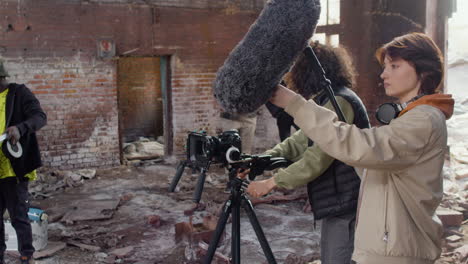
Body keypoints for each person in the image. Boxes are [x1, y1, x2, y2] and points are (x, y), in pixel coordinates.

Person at [267, 33, 453, 264]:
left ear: (423, 71)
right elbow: (364, 159)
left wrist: (294, 104)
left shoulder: (422, 120)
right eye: (385, 67)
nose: (384, 74)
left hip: (396, 251)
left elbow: (361, 147)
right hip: (390, 244)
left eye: (394, 66)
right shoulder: (411, 117)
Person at [246, 42, 370, 264]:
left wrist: (271, 183)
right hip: (337, 198)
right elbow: (299, 141)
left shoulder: (340, 101)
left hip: (347, 198)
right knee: (330, 256)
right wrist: (261, 160)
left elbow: (318, 158)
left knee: (338, 258)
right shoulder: (326, 99)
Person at [0, 60, 47, 264]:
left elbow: (39, 117)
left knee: (19, 215)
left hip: (14, 168)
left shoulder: (19, 93)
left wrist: (20, 128)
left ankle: (26, 256)